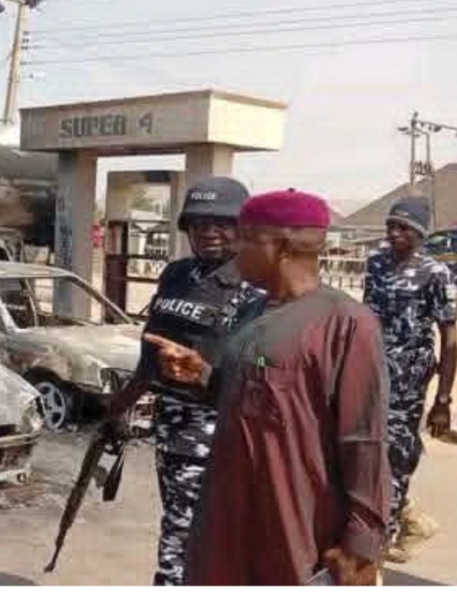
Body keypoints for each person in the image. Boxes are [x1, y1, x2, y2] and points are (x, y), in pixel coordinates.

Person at [145, 189, 390, 586]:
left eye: (245, 237)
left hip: (296, 522)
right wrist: (202, 375)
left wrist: (363, 540)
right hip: (229, 514)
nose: (234, 247)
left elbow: (364, 439)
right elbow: (253, 396)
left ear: (280, 246)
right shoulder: (252, 313)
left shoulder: (346, 324)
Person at [103, 176, 263, 586]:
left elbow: (262, 376)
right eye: (198, 223)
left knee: (190, 534)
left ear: (242, 227)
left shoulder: (257, 288)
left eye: (221, 223)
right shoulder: (177, 275)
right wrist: (120, 406)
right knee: (180, 522)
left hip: (220, 427)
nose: (209, 231)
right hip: (172, 426)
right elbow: (152, 352)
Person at [363, 197, 457, 563]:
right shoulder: (375, 265)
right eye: (391, 225)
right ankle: (411, 519)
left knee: (396, 455)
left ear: (420, 233)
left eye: (404, 228)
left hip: (409, 382)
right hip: (371, 372)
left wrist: (443, 400)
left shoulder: (435, 272)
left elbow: (449, 337)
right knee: (367, 450)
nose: (394, 233)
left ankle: (382, 543)